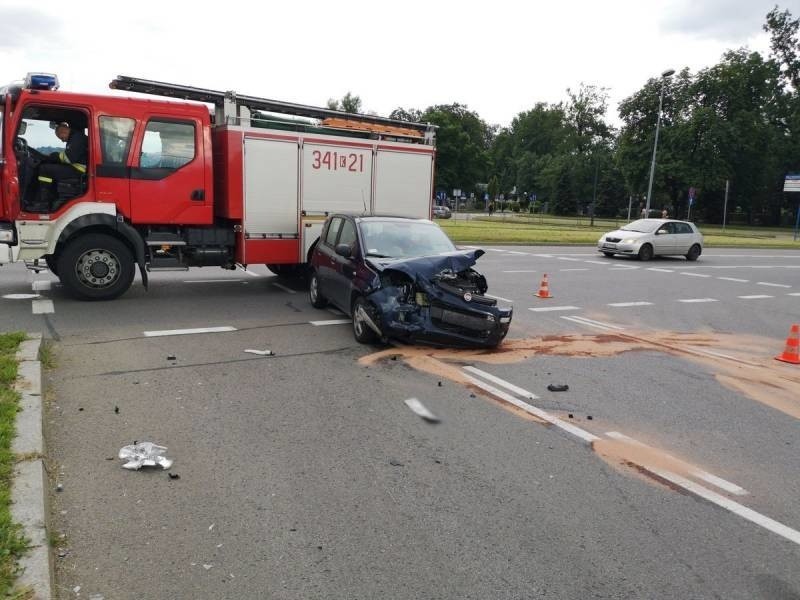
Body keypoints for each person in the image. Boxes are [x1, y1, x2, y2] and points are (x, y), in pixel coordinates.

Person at [36, 122, 88, 207]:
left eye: (61, 137)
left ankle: (44, 201)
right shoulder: (75, 137)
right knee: (49, 166)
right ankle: (51, 196)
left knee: (44, 169)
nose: (62, 140)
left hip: (78, 169)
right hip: (76, 167)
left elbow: (69, 158)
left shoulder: (76, 138)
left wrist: (55, 156)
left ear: (63, 131)